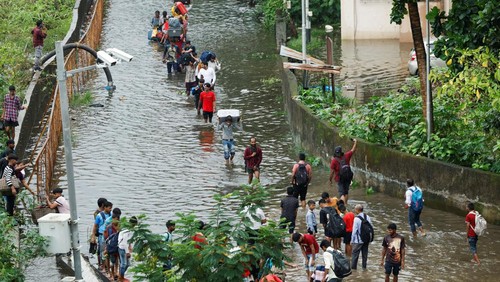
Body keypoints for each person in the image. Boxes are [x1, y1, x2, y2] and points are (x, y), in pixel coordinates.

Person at [329, 139, 357, 204]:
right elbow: (353, 149)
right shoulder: (346, 156)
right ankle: (346, 204)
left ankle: (343, 207)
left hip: (339, 178)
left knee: (342, 194)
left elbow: (332, 172)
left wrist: (330, 180)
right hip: (348, 177)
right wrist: (355, 142)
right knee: (346, 192)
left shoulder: (334, 161)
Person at [91, 201, 113, 270]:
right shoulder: (99, 216)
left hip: (110, 235)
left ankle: (107, 265)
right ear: (105, 207)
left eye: (111, 208)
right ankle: (103, 265)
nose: (110, 209)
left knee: (109, 250)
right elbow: (95, 226)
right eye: (109, 208)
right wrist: (93, 236)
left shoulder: (111, 214)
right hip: (102, 235)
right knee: (102, 250)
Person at [351, 204, 372, 270]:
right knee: (364, 256)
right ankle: (364, 268)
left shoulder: (356, 219)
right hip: (366, 240)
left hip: (358, 241)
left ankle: (354, 270)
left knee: (355, 256)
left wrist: (352, 241)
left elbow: (354, 231)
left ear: (357, 210)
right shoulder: (367, 217)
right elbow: (370, 228)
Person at [118, 216, 138, 282]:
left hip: (124, 247)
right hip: (122, 248)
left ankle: (121, 275)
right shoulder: (126, 230)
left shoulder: (128, 229)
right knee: (123, 264)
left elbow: (128, 240)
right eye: (134, 225)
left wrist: (130, 246)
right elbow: (124, 242)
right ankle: (121, 278)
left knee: (128, 264)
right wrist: (127, 252)